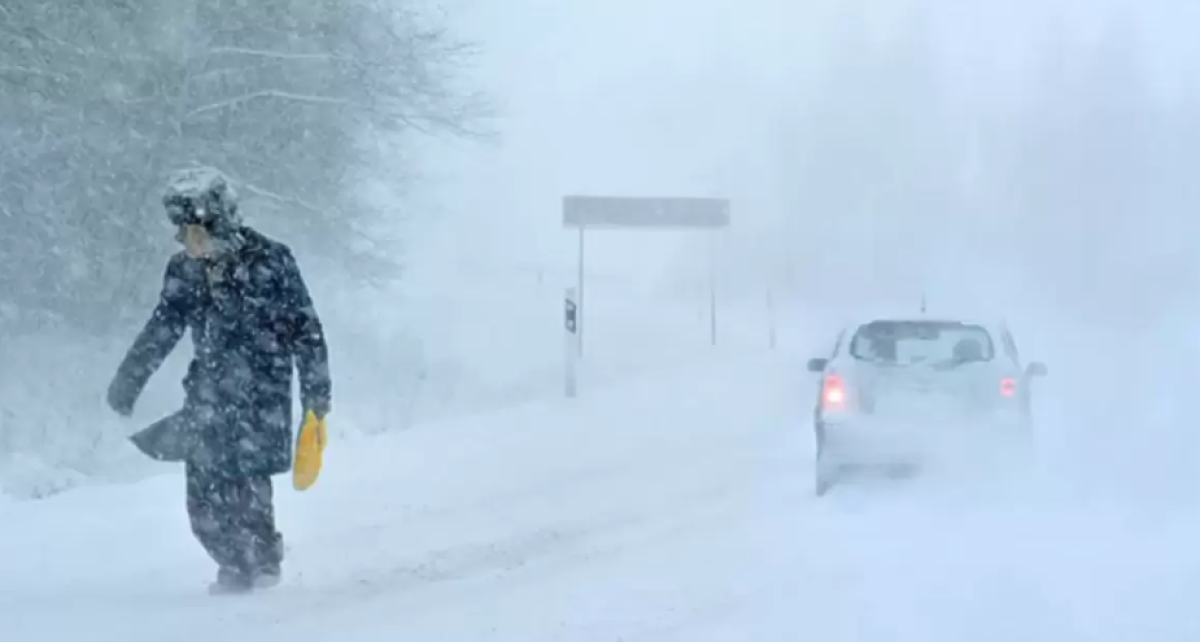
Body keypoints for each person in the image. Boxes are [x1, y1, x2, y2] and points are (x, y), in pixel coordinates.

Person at [106, 167, 331, 594]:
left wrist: (315, 398)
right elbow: (163, 328)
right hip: (207, 395)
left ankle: (262, 566)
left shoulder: (272, 261)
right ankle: (232, 564)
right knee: (203, 499)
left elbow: (307, 332)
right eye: (181, 231)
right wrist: (129, 380)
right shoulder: (183, 271)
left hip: (262, 395)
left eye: (193, 229)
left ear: (220, 222)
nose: (185, 240)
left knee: (247, 486)